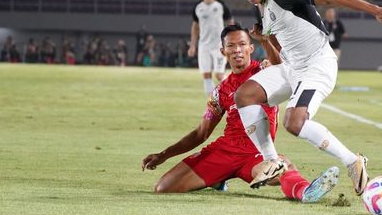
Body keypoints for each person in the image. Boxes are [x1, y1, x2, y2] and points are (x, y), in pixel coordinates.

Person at [224, 0, 382, 195]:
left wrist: (376, 10)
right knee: (243, 96)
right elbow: (279, 56)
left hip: (317, 65)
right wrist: (264, 40)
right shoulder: (261, 4)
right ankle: (272, 161)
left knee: (294, 122)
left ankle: (353, 161)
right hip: (292, 67)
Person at [142, 24, 339, 203]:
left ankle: (306, 191)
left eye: (242, 44)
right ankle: (218, 179)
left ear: (250, 48)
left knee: (279, 168)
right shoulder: (220, 91)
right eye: (231, 46)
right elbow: (201, 133)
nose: (237, 49)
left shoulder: (265, 71)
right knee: (163, 188)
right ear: (223, 51)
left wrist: (265, 39)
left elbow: (281, 67)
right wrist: (163, 155)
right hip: (224, 151)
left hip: (255, 153)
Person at [188, 0, 233, 95]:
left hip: (219, 46)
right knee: (206, 75)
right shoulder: (198, 7)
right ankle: (213, 103)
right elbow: (195, 27)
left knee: (219, 75)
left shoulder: (220, 5)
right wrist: (193, 45)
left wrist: (232, 40)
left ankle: (235, 89)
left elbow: (230, 21)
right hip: (204, 46)